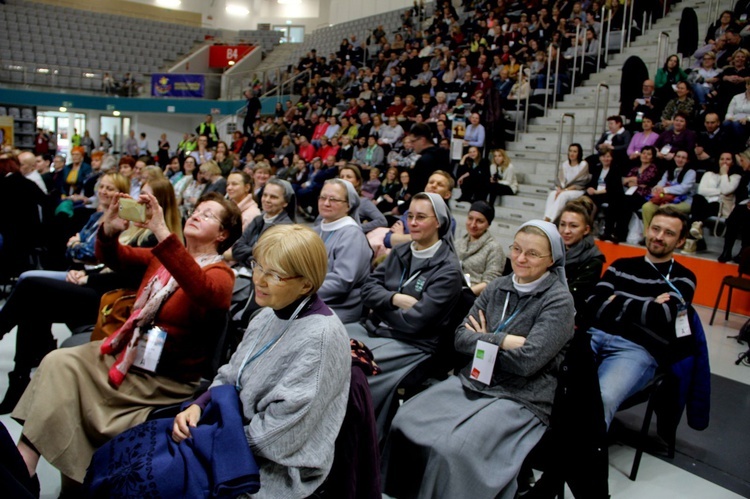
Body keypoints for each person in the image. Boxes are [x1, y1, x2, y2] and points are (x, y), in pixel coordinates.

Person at [11, 191, 242, 490]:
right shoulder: (167, 259)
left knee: (64, 369)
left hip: (162, 379)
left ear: (223, 234)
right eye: (197, 209)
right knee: (57, 362)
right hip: (129, 357)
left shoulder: (221, 275)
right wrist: (108, 229)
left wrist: (161, 231)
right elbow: (115, 257)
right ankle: (26, 464)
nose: (197, 214)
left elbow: (200, 289)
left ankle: (29, 470)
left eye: (208, 214)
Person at [383, 220, 574, 499]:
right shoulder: (498, 286)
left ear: (551, 260)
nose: (520, 258)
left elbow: (527, 362)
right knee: (404, 420)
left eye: (532, 254)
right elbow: (460, 339)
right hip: (474, 379)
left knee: (454, 448)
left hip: (520, 395)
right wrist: (504, 341)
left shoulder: (558, 300)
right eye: (517, 249)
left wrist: (482, 339)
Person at [173, 224, 350, 497]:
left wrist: (207, 439)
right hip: (230, 433)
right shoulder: (267, 314)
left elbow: (278, 436)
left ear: (306, 283)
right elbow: (231, 374)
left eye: (275, 274)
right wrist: (199, 405)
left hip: (271, 469)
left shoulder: (320, 340)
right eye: (258, 266)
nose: (259, 279)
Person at [0, 176, 181, 413]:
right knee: (34, 302)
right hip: (98, 286)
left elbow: (126, 274)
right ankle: (20, 379)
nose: (140, 200)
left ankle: (19, 374)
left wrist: (88, 275)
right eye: (141, 193)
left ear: (161, 202)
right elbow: (102, 256)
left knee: (31, 286)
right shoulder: (135, 225)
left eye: (147, 196)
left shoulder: (158, 237)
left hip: (114, 299)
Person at [347, 192, 464, 436]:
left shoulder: (448, 270)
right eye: (410, 216)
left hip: (413, 345)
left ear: (439, 223)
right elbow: (367, 289)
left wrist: (380, 309)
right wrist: (393, 299)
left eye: (421, 217)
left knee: (352, 371)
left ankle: (360, 441)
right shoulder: (401, 252)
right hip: (380, 330)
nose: (413, 222)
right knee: (326, 342)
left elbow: (415, 322)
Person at [586, 206, 696, 428]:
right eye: (655, 229)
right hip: (593, 336)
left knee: (601, 397)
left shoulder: (684, 278)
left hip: (637, 349)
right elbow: (592, 305)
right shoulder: (620, 266)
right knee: (553, 381)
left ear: (681, 241)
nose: (659, 237)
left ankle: (582, 460)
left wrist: (615, 300)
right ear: (647, 230)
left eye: (669, 233)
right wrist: (646, 306)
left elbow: (663, 316)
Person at [315, 179, 373, 323]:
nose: (326, 203)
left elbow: (342, 281)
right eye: (323, 197)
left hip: (339, 305)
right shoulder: (315, 230)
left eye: (333, 199)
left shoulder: (352, 235)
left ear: (348, 205)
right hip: (309, 296)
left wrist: (300, 290)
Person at [226, 178, 297, 265]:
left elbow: (267, 261)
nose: (267, 200)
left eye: (273, 197)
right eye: (265, 195)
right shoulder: (258, 219)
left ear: (285, 203)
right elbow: (237, 248)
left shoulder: (286, 229)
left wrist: (244, 255)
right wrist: (256, 252)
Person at [558, 198, 605, 326]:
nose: (566, 231)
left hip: (571, 321)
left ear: (586, 230)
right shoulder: (551, 250)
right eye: (562, 224)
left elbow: (570, 296)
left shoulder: (594, 260)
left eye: (573, 226)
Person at [601, 146, 660, 243]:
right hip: (630, 193)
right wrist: (634, 181)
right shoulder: (635, 168)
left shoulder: (653, 168)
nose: (645, 155)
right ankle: (608, 231)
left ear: (652, 157)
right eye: (644, 153)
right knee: (614, 201)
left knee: (625, 204)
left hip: (643, 195)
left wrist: (634, 181)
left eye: (648, 154)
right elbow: (625, 181)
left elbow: (645, 180)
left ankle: (620, 234)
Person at [688, 152, 743, 250]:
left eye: (728, 159)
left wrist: (724, 174)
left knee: (706, 208)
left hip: (721, 206)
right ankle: (697, 228)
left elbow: (726, 189)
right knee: (697, 198)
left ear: (733, 162)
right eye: (722, 159)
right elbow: (702, 190)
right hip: (704, 202)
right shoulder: (709, 174)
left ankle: (696, 235)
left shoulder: (736, 177)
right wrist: (720, 192)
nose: (724, 162)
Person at [641, 149, 697, 238]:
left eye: (683, 158)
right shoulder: (669, 170)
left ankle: (664, 237)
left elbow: (683, 188)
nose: (680, 159)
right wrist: (658, 188)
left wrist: (664, 190)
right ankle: (647, 236)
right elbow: (661, 183)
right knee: (647, 206)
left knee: (665, 209)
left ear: (687, 160)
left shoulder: (691, 172)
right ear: (674, 157)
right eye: (678, 156)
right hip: (665, 199)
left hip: (684, 202)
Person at [456, 201, 505, 296]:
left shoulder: (494, 248)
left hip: (473, 296)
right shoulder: (458, 243)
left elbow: (490, 282)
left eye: (480, 221)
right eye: (470, 218)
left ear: (488, 224)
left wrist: (464, 293)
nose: (473, 224)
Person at [543, 143, 590, 222]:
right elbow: (560, 180)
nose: (572, 153)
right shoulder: (565, 164)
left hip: (577, 190)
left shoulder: (583, 165)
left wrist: (564, 190)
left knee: (563, 195)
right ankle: (545, 218)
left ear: (579, 153)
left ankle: (552, 220)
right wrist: (559, 188)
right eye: (570, 151)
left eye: (575, 151)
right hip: (564, 189)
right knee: (552, 194)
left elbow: (581, 182)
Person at [718, 149, 750, 262]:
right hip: (743, 206)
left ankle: (743, 252)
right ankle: (727, 251)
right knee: (733, 219)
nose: (741, 163)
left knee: (746, 220)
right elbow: (740, 195)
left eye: (743, 160)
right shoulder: (745, 175)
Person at [338, 164, 388, 233]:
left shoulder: (363, 202)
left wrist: (356, 228)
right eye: (342, 177)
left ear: (357, 181)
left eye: (348, 177)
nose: (344, 179)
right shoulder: (331, 200)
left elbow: (382, 221)